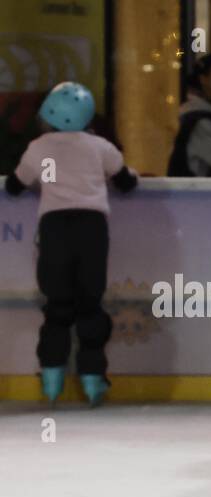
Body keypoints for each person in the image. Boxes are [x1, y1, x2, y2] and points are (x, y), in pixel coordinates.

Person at [5, 82, 138, 407]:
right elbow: (126, 182)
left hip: (55, 231)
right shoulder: (100, 147)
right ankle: (93, 380)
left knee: (58, 306)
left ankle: (52, 377)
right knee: (90, 304)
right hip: (91, 230)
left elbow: (14, 186)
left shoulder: (39, 148)